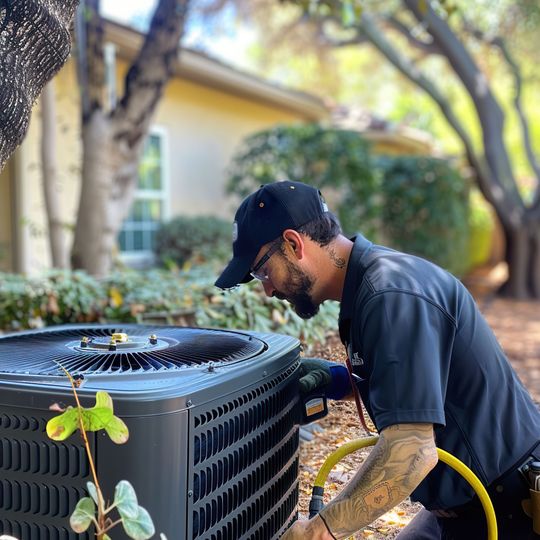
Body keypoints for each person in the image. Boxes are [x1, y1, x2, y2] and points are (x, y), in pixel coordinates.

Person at [215, 180, 540, 540]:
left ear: (293, 244)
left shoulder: (389, 296)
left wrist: (320, 531)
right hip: (460, 506)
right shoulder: (372, 283)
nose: (268, 289)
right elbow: (421, 380)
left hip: (508, 510)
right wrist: (338, 380)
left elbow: (412, 451)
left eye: (262, 271)